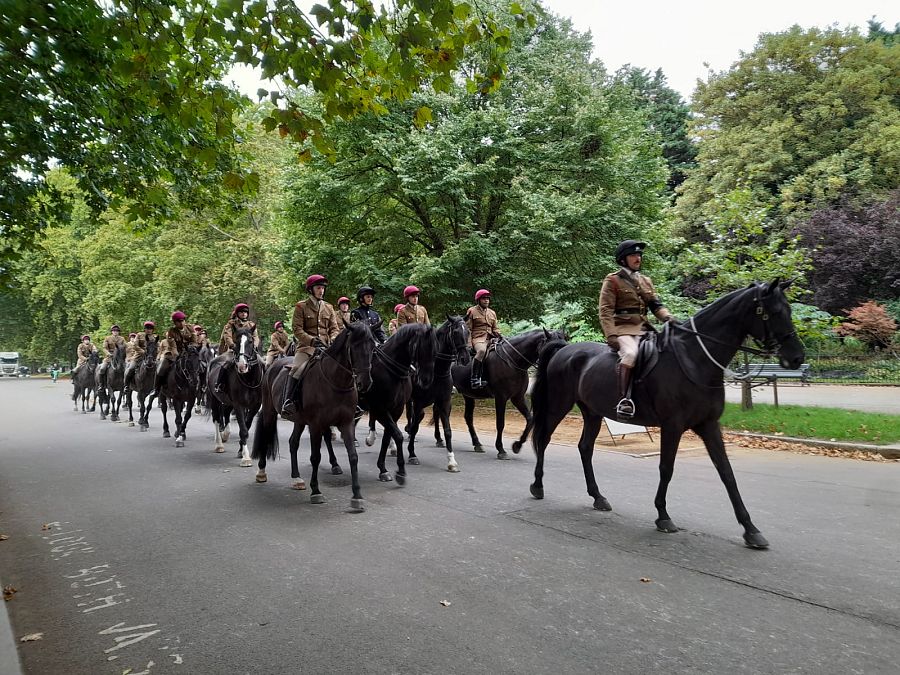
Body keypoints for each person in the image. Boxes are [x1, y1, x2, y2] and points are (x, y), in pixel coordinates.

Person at [599, 240, 676, 419]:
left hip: (645, 328)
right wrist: (611, 335)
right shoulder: (613, 280)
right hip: (623, 329)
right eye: (633, 255)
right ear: (623, 259)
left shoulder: (645, 281)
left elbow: (656, 305)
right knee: (631, 354)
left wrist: (668, 317)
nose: (638, 258)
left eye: (639, 255)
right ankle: (623, 400)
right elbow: (605, 311)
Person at [282, 274, 341, 415]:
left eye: (323, 288)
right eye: (318, 288)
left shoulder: (328, 307)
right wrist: (311, 340)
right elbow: (297, 329)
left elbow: (334, 328)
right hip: (306, 348)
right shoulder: (301, 306)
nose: (321, 291)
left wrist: (333, 337)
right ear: (311, 290)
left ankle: (350, 403)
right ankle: (288, 401)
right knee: (297, 368)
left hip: (327, 348)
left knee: (344, 367)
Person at [214, 303, 260, 392]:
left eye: (246, 312)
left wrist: (255, 346)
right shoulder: (231, 324)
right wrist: (232, 346)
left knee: (261, 362)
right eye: (241, 312)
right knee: (227, 363)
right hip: (234, 350)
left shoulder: (251, 325)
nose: (244, 314)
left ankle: (263, 385)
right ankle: (219, 384)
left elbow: (256, 337)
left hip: (248, 351)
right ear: (237, 313)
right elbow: (227, 337)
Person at [466, 289, 502, 389]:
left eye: (487, 299)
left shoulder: (492, 313)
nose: (486, 300)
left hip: (491, 338)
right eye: (483, 299)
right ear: (478, 300)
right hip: (478, 338)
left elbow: (495, 328)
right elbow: (468, 329)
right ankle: (474, 379)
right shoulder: (472, 311)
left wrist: (500, 335)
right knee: (482, 351)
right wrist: (469, 344)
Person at [155, 310, 196, 392]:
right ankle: (157, 389)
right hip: (173, 354)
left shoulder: (190, 328)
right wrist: (178, 355)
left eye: (182, 320)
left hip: (189, 352)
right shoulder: (171, 331)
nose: (181, 323)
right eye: (178, 321)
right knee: (160, 369)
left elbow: (194, 341)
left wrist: (190, 349)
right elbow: (173, 347)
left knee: (201, 364)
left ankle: (203, 387)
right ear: (174, 323)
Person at [125, 321, 157, 389]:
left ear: (152, 329)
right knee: (131, 368)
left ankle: (159, 386)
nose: (148, 330)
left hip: (151, 357)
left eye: (150, 328)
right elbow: (135, 345)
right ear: (144, 329)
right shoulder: (139, 335)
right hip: (139, 356)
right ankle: (127, 385)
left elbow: (158, 346)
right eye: (147, 328)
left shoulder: (155, 337)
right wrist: (143, 351)